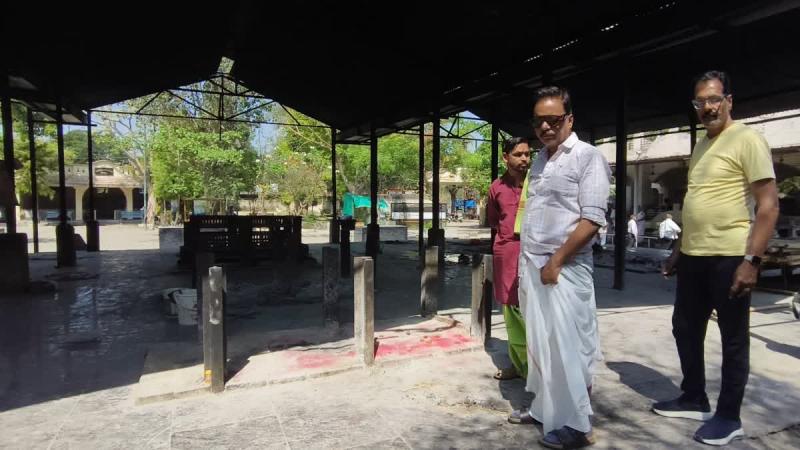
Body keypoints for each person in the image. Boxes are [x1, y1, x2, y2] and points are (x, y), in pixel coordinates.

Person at [654, 71, 779, 446]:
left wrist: (751, 261)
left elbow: (769, 205)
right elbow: (697, 203)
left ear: (728, 101)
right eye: (700, 102)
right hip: (694, 256)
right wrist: (678, 251)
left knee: (733, 338)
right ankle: (694, 396)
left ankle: (729, 415)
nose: (707, 107)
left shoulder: (747, 139)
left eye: (713, 99)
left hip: (730, 255)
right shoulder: (701, 145)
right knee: (685, 327)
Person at [514, 85, 610, 448]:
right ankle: (545, 409)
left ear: (569, 119)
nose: (545, 127)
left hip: (565, 268)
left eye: (553, 120)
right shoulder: (540, 159)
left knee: (569, 348)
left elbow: (592, 218)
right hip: (535, 265)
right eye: (538, 121)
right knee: (543, 346)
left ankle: (576, 425)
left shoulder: (588, 157)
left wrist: (556, 261)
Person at [487, 137, 531, 382]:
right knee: (511, 307)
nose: (524, 158)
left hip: (535, 250)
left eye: (527, 154)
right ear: (506, 157)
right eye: (518, 154)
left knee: (533, 308)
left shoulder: (538, 182)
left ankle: (539, 366)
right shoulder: (496, 187)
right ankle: (519, 364)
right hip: (508, 250)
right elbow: (494, 220)